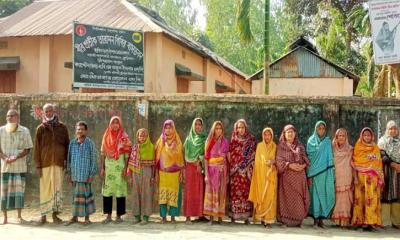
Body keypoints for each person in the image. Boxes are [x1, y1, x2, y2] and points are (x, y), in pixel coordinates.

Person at [34, 103, 69, 225]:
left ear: (54, 111)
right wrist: (38, 165)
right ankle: (43, 216)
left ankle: (55, 216)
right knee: (45, 189)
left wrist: (66, 162)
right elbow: (37, 149)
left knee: (57, 189)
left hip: (58, 164)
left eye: (50, 111)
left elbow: (67, 145)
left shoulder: (62, 127)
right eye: (46, 111)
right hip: (45, 164)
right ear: (43, 113)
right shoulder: (41, 128)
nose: (49, 113)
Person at [0, 109, 33, 224]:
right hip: (5, 167)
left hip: (19, 167)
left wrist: (16, 157)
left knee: (19, 193)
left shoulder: (24, 131)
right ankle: (5, 218)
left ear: (17, 118)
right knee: (4, 193)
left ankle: (19, 217)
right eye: (8, 116)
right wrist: (5, 158)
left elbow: (28, 148)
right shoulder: (1, 130)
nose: (9, 118)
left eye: (12, 116)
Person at [276, 124, 310, 227]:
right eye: (288, 132)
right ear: (284, 134)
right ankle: (286, 221)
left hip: (300, 179)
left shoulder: (300, 146)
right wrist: (289, 165)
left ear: (295, 134)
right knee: (286, 199)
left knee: (299, 199)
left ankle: (298, 221)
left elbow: (306, 159)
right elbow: (279, 161)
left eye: (292, 132)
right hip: (287, 178)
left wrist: (303, 166)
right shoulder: (281, 147)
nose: (290, 134)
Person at [100, 116, 131, 224]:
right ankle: (108, 215)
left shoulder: (124, 137)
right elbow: (103, 153)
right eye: (113, 123)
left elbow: (127, 154)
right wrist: (102, 168)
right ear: (110, 124)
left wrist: (126, 168)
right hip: (108, 168)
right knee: (107, 192)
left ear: (120, 124)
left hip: (120, 167)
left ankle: (119, 216)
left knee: (120, 191)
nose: (115, 125)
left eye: (117, 123)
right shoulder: (106, 136)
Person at [65, 121, 97, 226]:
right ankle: (74, 217)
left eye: (82, 129)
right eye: (78, 129)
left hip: (86, 176)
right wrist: (69, 174)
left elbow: (93, 159)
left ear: (86, 131)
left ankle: (87, 218)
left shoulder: (90, 143)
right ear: (76, 130)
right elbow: (69, 159)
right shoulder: (72, 143)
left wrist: (92, 174)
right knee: (76, 197)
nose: (80, 131)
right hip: (75, 176)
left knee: (86, 197)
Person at [352, 127, 383, 231]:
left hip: (372, 179)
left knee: (371, 199)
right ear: (362, 136)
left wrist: (371, 163)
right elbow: (355, 161)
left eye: (368, 135)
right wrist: (355, 177)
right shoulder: (358, 146)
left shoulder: (375, 147)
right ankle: (360, 222)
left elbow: (377, 161)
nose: (366, 137)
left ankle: (371, 222)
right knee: (360, 199)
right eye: (364, 135)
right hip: (360, 177)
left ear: (372, 136)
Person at [306, 121, 335, 228]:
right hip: (314, 174)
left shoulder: (327, 142)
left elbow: (329, 157)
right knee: (315, 197)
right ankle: (315, 220)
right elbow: (310, 157)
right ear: (316, 129)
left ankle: (322, 220)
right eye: (319, 128)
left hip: (325, 174)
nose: (321, 130)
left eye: (323, 128)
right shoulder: (310, 141)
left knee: (325, 194)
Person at [155, 120, 184, 224]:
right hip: (163, 173)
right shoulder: (160, 141)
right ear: (164, 129)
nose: (168, 130)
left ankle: (172, 217)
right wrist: (156, 173)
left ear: (173, 128)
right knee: (163, 196)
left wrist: (181, 173)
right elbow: (156, 160)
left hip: (175, 174)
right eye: (166, 128)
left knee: (174, 195)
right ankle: (163, 217)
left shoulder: (178, 142)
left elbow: (181, 159)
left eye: (170, 127)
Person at [248, 128, 277, 228]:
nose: (267, 137)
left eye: (269, 135)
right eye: (265, 135)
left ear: (272, 136)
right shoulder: (259, 146)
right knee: (261, 196)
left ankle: (268, 220)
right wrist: (265, 163)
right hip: (261, 175)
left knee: (270, 197)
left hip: (271, 175)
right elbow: (257, 162)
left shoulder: (274, 146)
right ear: (263, 135)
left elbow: (276, 159)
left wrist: (272, 162)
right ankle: (261, 218)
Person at [228, 119, 256, 224]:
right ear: (236, 129)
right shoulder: (233, 140)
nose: (241, 129)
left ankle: (246, 217)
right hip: (235, 173)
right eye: (239, 127)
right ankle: (234, 216)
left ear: (246, 128)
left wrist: (246, 167)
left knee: (246, 193)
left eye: (242, 127)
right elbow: (231, 155)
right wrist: (237, 167)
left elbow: (253, 155)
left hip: (246, 172)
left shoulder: (251, 140)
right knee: (234, 193)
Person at [203, 121, 229, 225]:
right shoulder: (209, 141)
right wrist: (206, 175)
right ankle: (211, 218)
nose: (218, 130)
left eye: (220, 129)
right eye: (216, 128)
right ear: (213, 130)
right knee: (211, 193)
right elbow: (206, 159)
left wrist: (227, 174)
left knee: (221, 193)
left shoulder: (225, 142)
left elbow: (227, 158)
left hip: (222, 171)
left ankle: (220, 218)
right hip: (211, 171)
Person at [127, 128, 155, 225]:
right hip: (135, 172)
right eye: (140, 135)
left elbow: (153, 164)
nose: (142, 137)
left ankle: (146, 217)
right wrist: (130, 176)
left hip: (147, 172)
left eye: (144, 135)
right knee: (135, 194)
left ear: (147, 136)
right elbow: (130, 162)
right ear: (137, 137)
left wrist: (153, 177)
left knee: (146, 194)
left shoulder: (151, 147)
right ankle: (137, 217)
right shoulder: (135, 147)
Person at [183, 118, 207, 224]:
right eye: (196, 124)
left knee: (200, 190)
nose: (198, 126)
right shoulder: (188, 140)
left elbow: (207, 152)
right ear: (193, 126)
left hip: (199, 167)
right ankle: (188, 216)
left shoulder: (204, 139)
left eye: (199, 125)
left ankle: (200, 215)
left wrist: (200, 160)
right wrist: (192, 162)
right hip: (190, 168)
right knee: (190, 191)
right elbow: (184, 153)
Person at [378, 121, 400, 229]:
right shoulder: (382, 141)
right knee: (386, 194)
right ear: (387, 130)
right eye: (391, 128)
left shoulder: (399, 141)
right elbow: (382, 154)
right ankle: (385, 221)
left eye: (395, 128)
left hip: (398, 172)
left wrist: (398, 166)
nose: (393, 131)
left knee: (397, 195)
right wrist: (392, 164)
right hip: (386, 170)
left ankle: (396, 222)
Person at [331, 128, 354, 227]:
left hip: (347, 177)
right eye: (339, 136)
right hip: (336, 177)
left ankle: (344, 221)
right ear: (336, 137)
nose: (341, 137)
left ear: (346, 137)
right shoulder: (332, 148)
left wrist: (354, 177)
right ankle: (337, 221)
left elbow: (353, 164)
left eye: (343, 136)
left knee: (346, 199)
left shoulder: (350, 149)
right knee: (337, 199)